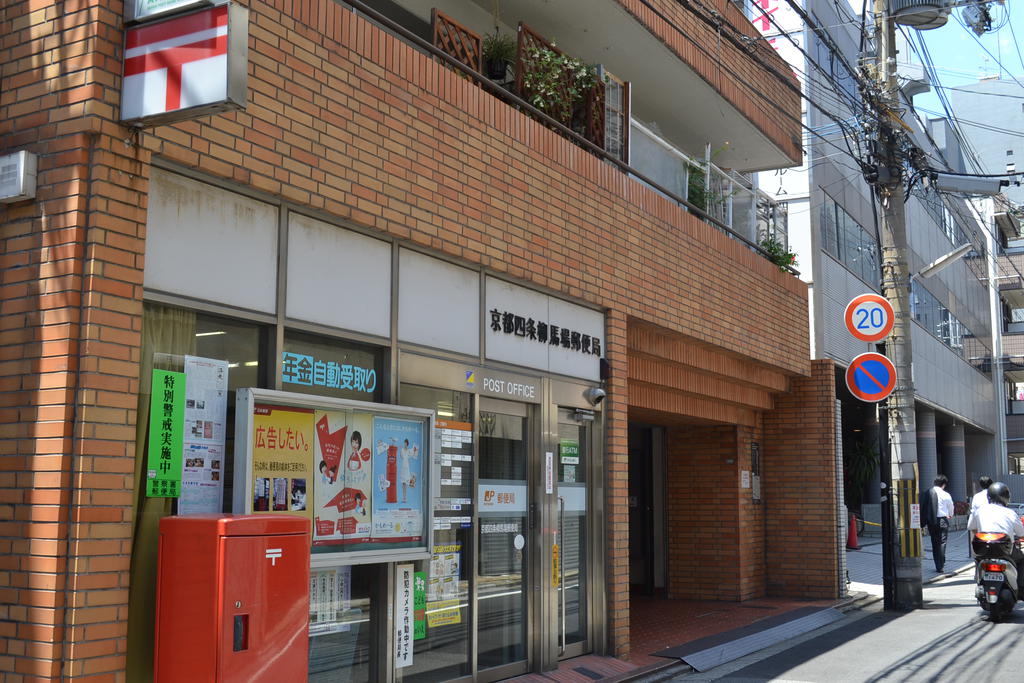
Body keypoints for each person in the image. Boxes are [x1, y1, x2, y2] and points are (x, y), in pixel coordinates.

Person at [967, 482, 1024, 592]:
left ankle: (979, 581)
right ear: (1006, 497)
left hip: (983, 551)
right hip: (1005, 551)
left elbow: (971, 527)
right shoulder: (1010, 513)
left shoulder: (979, 511)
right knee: (1021, 559)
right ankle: (1021, 588)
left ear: (989, 496)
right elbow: (1021, 533)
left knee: (978, 560)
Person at [920, 474, 954, 573]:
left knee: (934, 543)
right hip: (943, 520)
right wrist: (950, 514)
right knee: (942, 542)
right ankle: (941, 563)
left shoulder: (927, 493)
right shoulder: (946, 494)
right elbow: (951, 507)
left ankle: (938, 565)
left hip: (931, 521)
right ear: (943, 484)